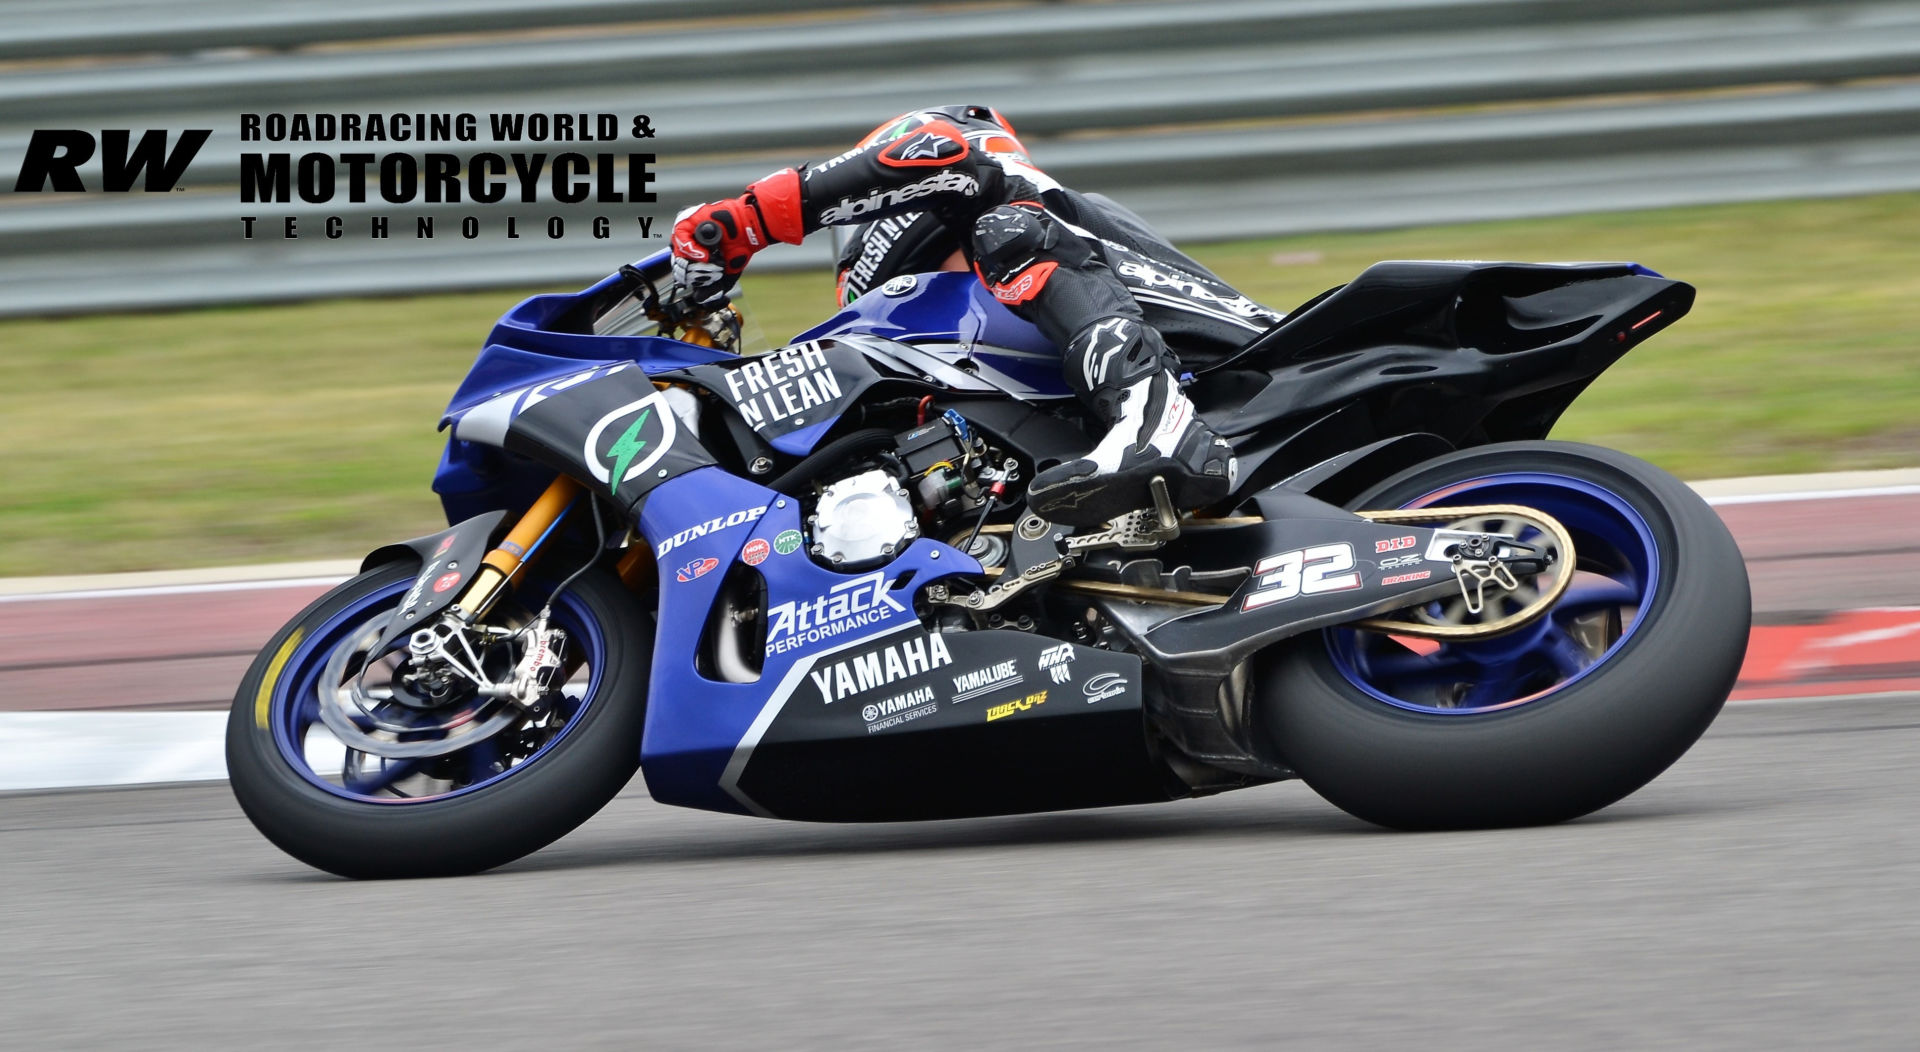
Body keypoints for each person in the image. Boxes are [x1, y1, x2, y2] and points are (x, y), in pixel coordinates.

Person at [671, 104, 1286, 527]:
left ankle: (1155, 421)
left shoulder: (1007, 196)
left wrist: (746, 220)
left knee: (1007, 229)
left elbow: (936, 153)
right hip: (1228, 396)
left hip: (1250, 371)